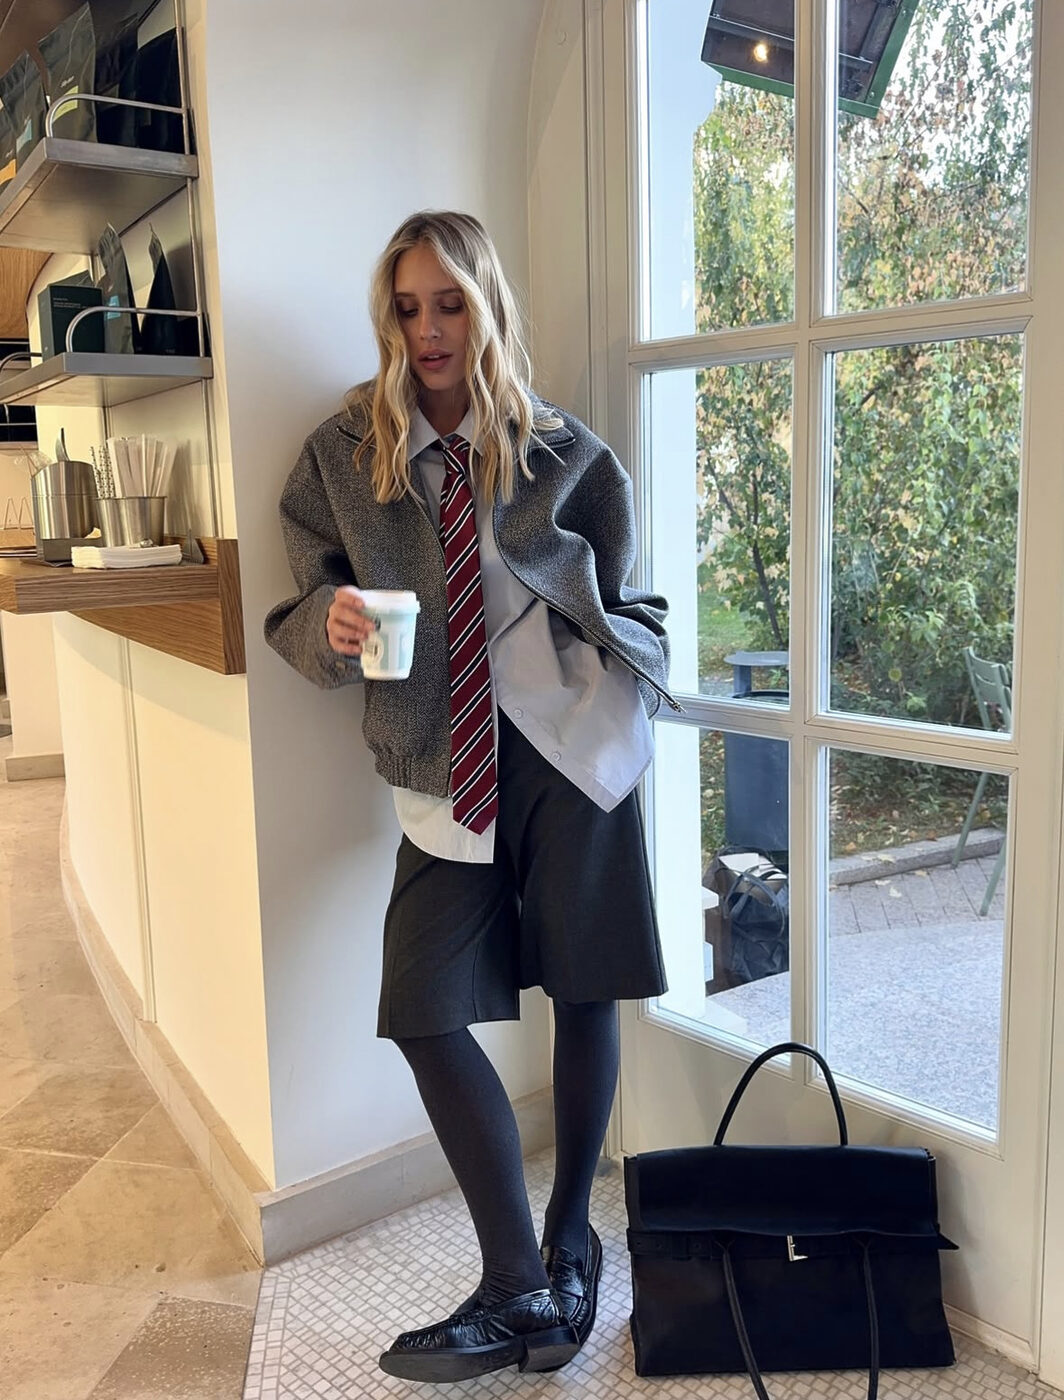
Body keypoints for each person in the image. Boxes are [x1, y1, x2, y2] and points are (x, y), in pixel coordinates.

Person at [264, 210, 678, 1383]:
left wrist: (624, 656)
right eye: (407, 307)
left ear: (484, 306)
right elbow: (301, 604)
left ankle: (567, 1239)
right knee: (421, 1003)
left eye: (449, 303)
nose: (429, 329)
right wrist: (334, 622)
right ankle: (517, 1284)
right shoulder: (347, 451)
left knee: (585, 987)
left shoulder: (561, 451)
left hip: (566, 741)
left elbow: (628, 595)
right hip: (441, 753)